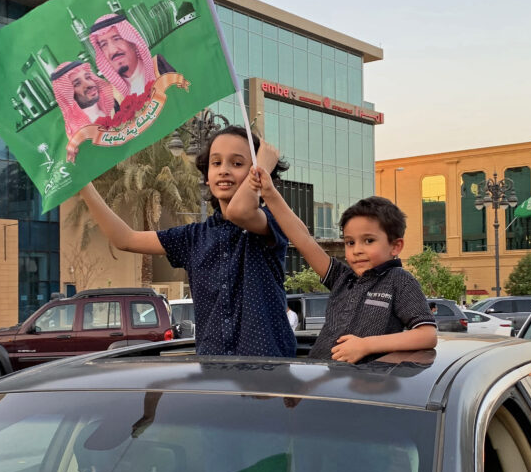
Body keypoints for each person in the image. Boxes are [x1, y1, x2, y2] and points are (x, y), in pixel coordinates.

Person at [77, 125, 295, 357]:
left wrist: (261, 168)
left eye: (238, 163)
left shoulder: (272, 221)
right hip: (214, 371)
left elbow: (239, 212)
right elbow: (125, 238)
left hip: (269, 372)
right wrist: (82, 184)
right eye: (216, 163)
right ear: (207, 177)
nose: (224, 170)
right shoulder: (193, 237)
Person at [250, 167, 437, 363]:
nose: (357, 250)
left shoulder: (399, 280)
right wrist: (270, 193)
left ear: (395, 246)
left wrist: (365, 345)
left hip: (361, 386)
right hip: (320, 376)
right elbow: (303, 239)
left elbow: (427, 335)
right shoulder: (342, 277)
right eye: (350, 242)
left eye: (369, 241)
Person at [88, 14, 175, 100]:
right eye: (104, 45)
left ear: (132, 42)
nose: (112, 50)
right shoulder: (114, 99)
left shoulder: (160, 67)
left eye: (117, 39)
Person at [51, 60, 117, 137]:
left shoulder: (112, 105)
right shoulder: (79, 132)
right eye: (77, 84)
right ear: (68, 94)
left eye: (88, 77)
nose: (89, 84)